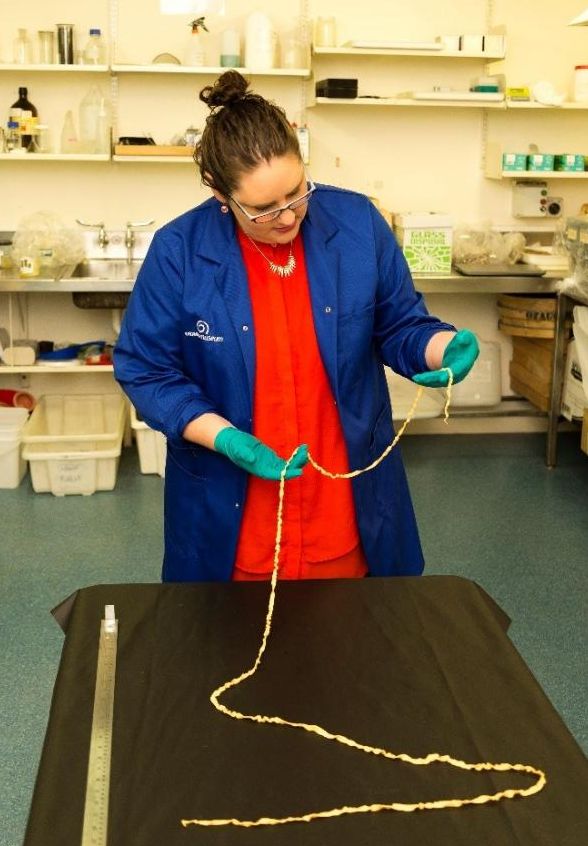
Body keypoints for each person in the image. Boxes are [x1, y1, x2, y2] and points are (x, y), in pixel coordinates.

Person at [113, 70, 478, 583]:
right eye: (263, 209)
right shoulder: (180, 252)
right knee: (230, 626)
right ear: (219, 192)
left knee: (356, 625)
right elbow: (146, 370)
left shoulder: (356, 224)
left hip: (343, 500)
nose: (288, 217)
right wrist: (224, 437)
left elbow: (398, 324)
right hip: (235, 513)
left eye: (297, 192)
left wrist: (440, 348)